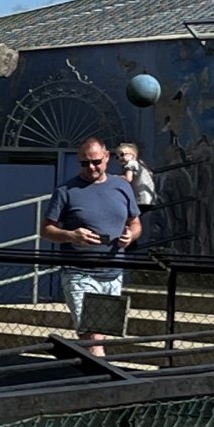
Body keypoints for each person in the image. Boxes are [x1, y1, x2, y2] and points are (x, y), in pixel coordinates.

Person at [42, 137, 142, 351]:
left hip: (113, 273)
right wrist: (71, 235)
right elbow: (46, 230)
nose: (91, 167)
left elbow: (136, 223)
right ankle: (100, 378)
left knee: (100, 335)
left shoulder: (122, 187)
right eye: (85, 163)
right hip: (79, 272)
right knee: (92, 333)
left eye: (96, 161)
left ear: (107, 158)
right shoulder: (65, 190)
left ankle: (88, 371)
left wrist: (131, 236)